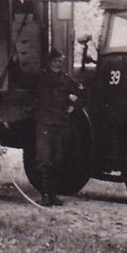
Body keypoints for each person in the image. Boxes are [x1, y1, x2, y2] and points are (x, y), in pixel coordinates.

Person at [32, 50, 82, 207]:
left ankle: (53, 195)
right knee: (44, 160)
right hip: (45, 123)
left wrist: (73, 106)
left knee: (58, 160)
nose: (57, 64)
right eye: (55, 61)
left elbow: (84, 94)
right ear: (49, 62)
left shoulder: (67, 80)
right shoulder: (41, 79)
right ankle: (45, 195)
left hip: (61, 124)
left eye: (60, 62)